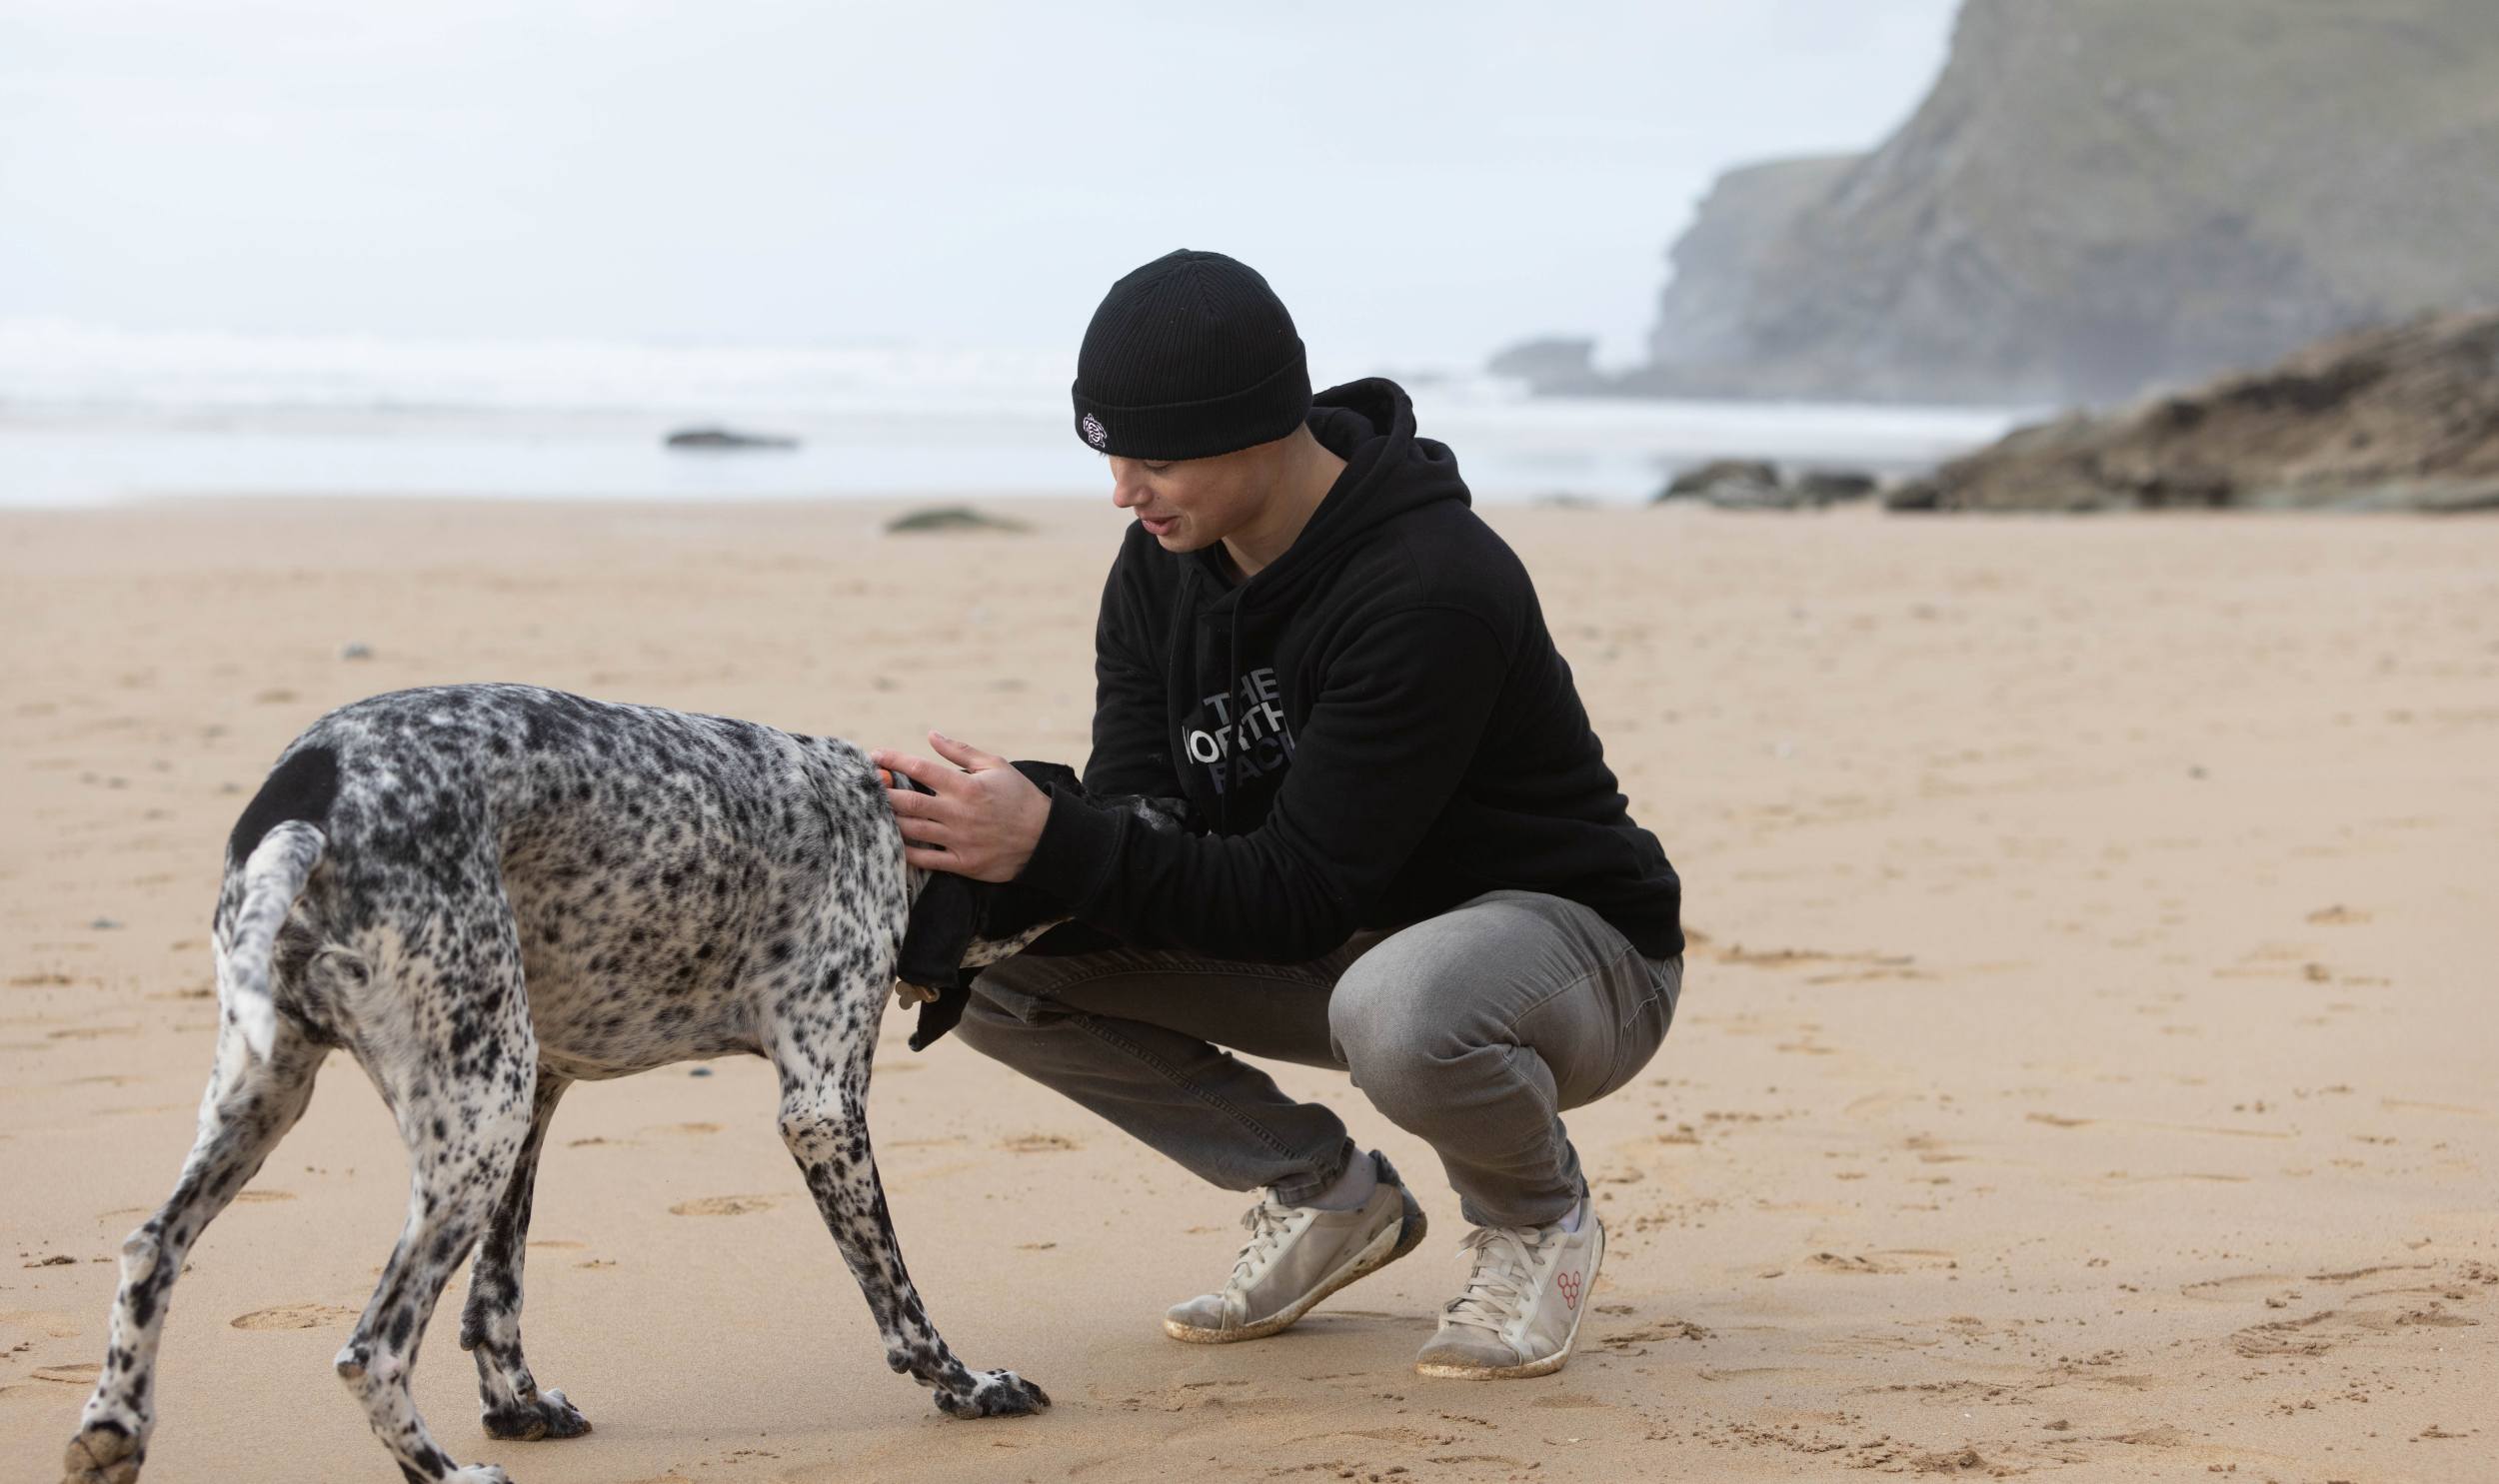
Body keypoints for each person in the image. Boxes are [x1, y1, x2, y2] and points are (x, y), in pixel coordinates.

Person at [872, 249, 1683, 1380]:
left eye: (1154, 461)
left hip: (1568, 956)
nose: (1124, 493)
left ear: (1260, 432)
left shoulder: (1429, 586)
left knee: (1399, 1008)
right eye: (1108, 457)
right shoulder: (1160, 564)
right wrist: (997, 845)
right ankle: (1331, 1195)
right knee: (990, 959)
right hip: (1345, 942)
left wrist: (1056, 839)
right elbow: (1145, 815)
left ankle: (1536, 1221)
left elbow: (1300, 895)